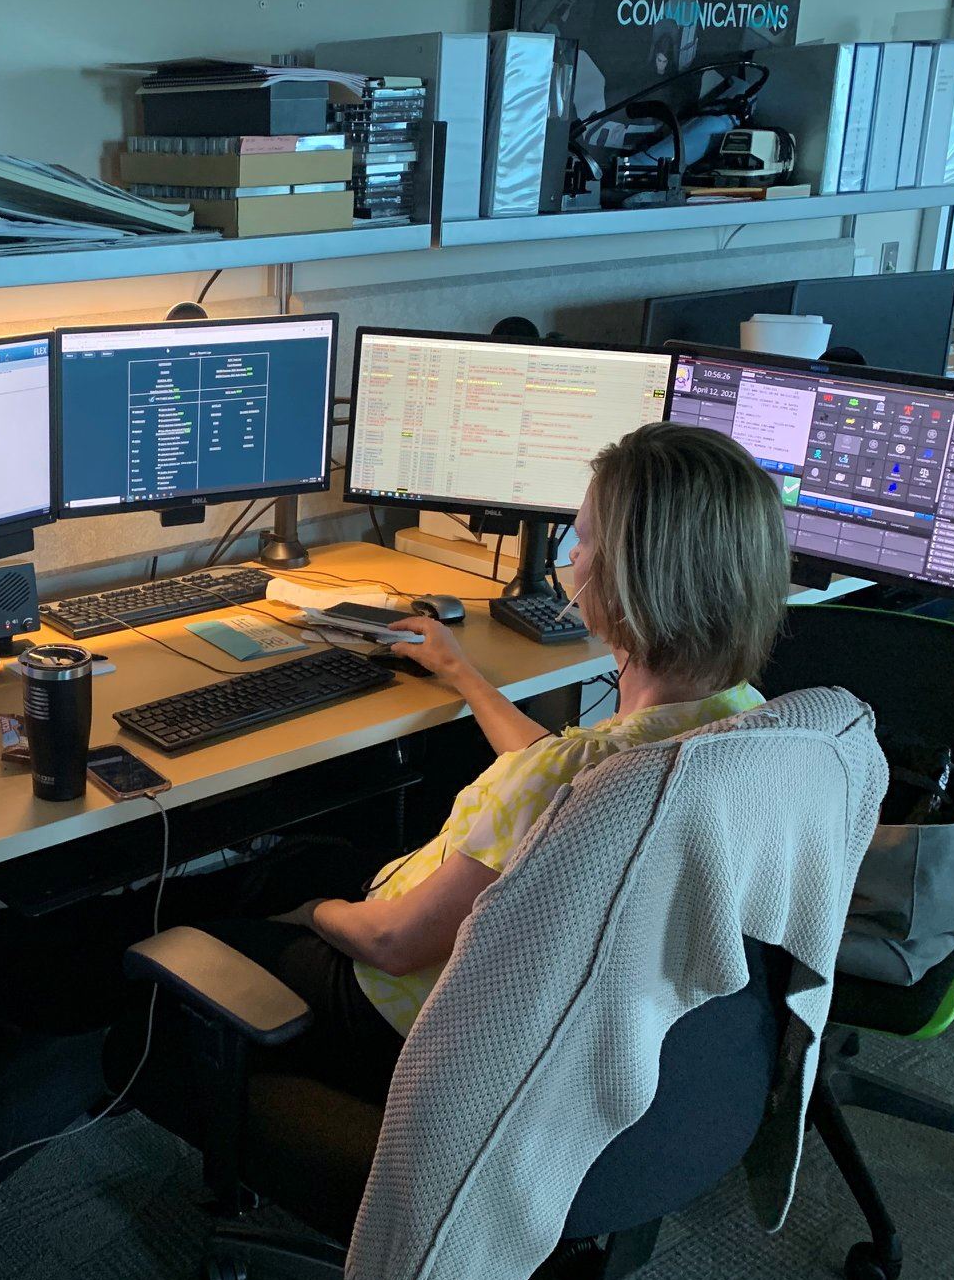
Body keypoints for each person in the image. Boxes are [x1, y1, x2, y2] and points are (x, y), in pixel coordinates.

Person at [194, 421, 793, 1105]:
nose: (572, 556)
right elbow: (559, 776)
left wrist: (311, 914)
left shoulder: (569, 779)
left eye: (584, 537)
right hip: (581, 1042)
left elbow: (393, 943)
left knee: (227, 912)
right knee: (310, 855)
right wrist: (465, 676)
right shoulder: (747, 721)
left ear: (626, 577)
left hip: (411, 1024)